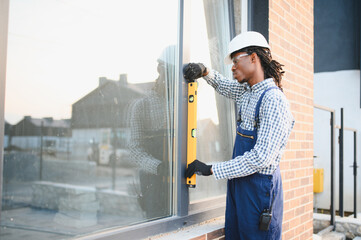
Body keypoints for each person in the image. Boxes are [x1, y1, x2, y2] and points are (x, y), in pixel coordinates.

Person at [184, 31, 295, 240]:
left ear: (254, 58)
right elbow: (225, 86)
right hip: (240, 184)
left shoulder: (273, 100)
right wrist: (205, 71)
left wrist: (211, 169)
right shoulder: (248, 92)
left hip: (259, 190)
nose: (233, 67)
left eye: (236, 61)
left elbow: (261, 157)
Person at [128, 46, 175, 219]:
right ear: (160, 69)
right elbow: (135, 149)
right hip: (153, 184)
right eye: (171, 72)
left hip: (178, 185)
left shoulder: (185, 104)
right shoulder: (142, 106)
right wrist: (158, 167)